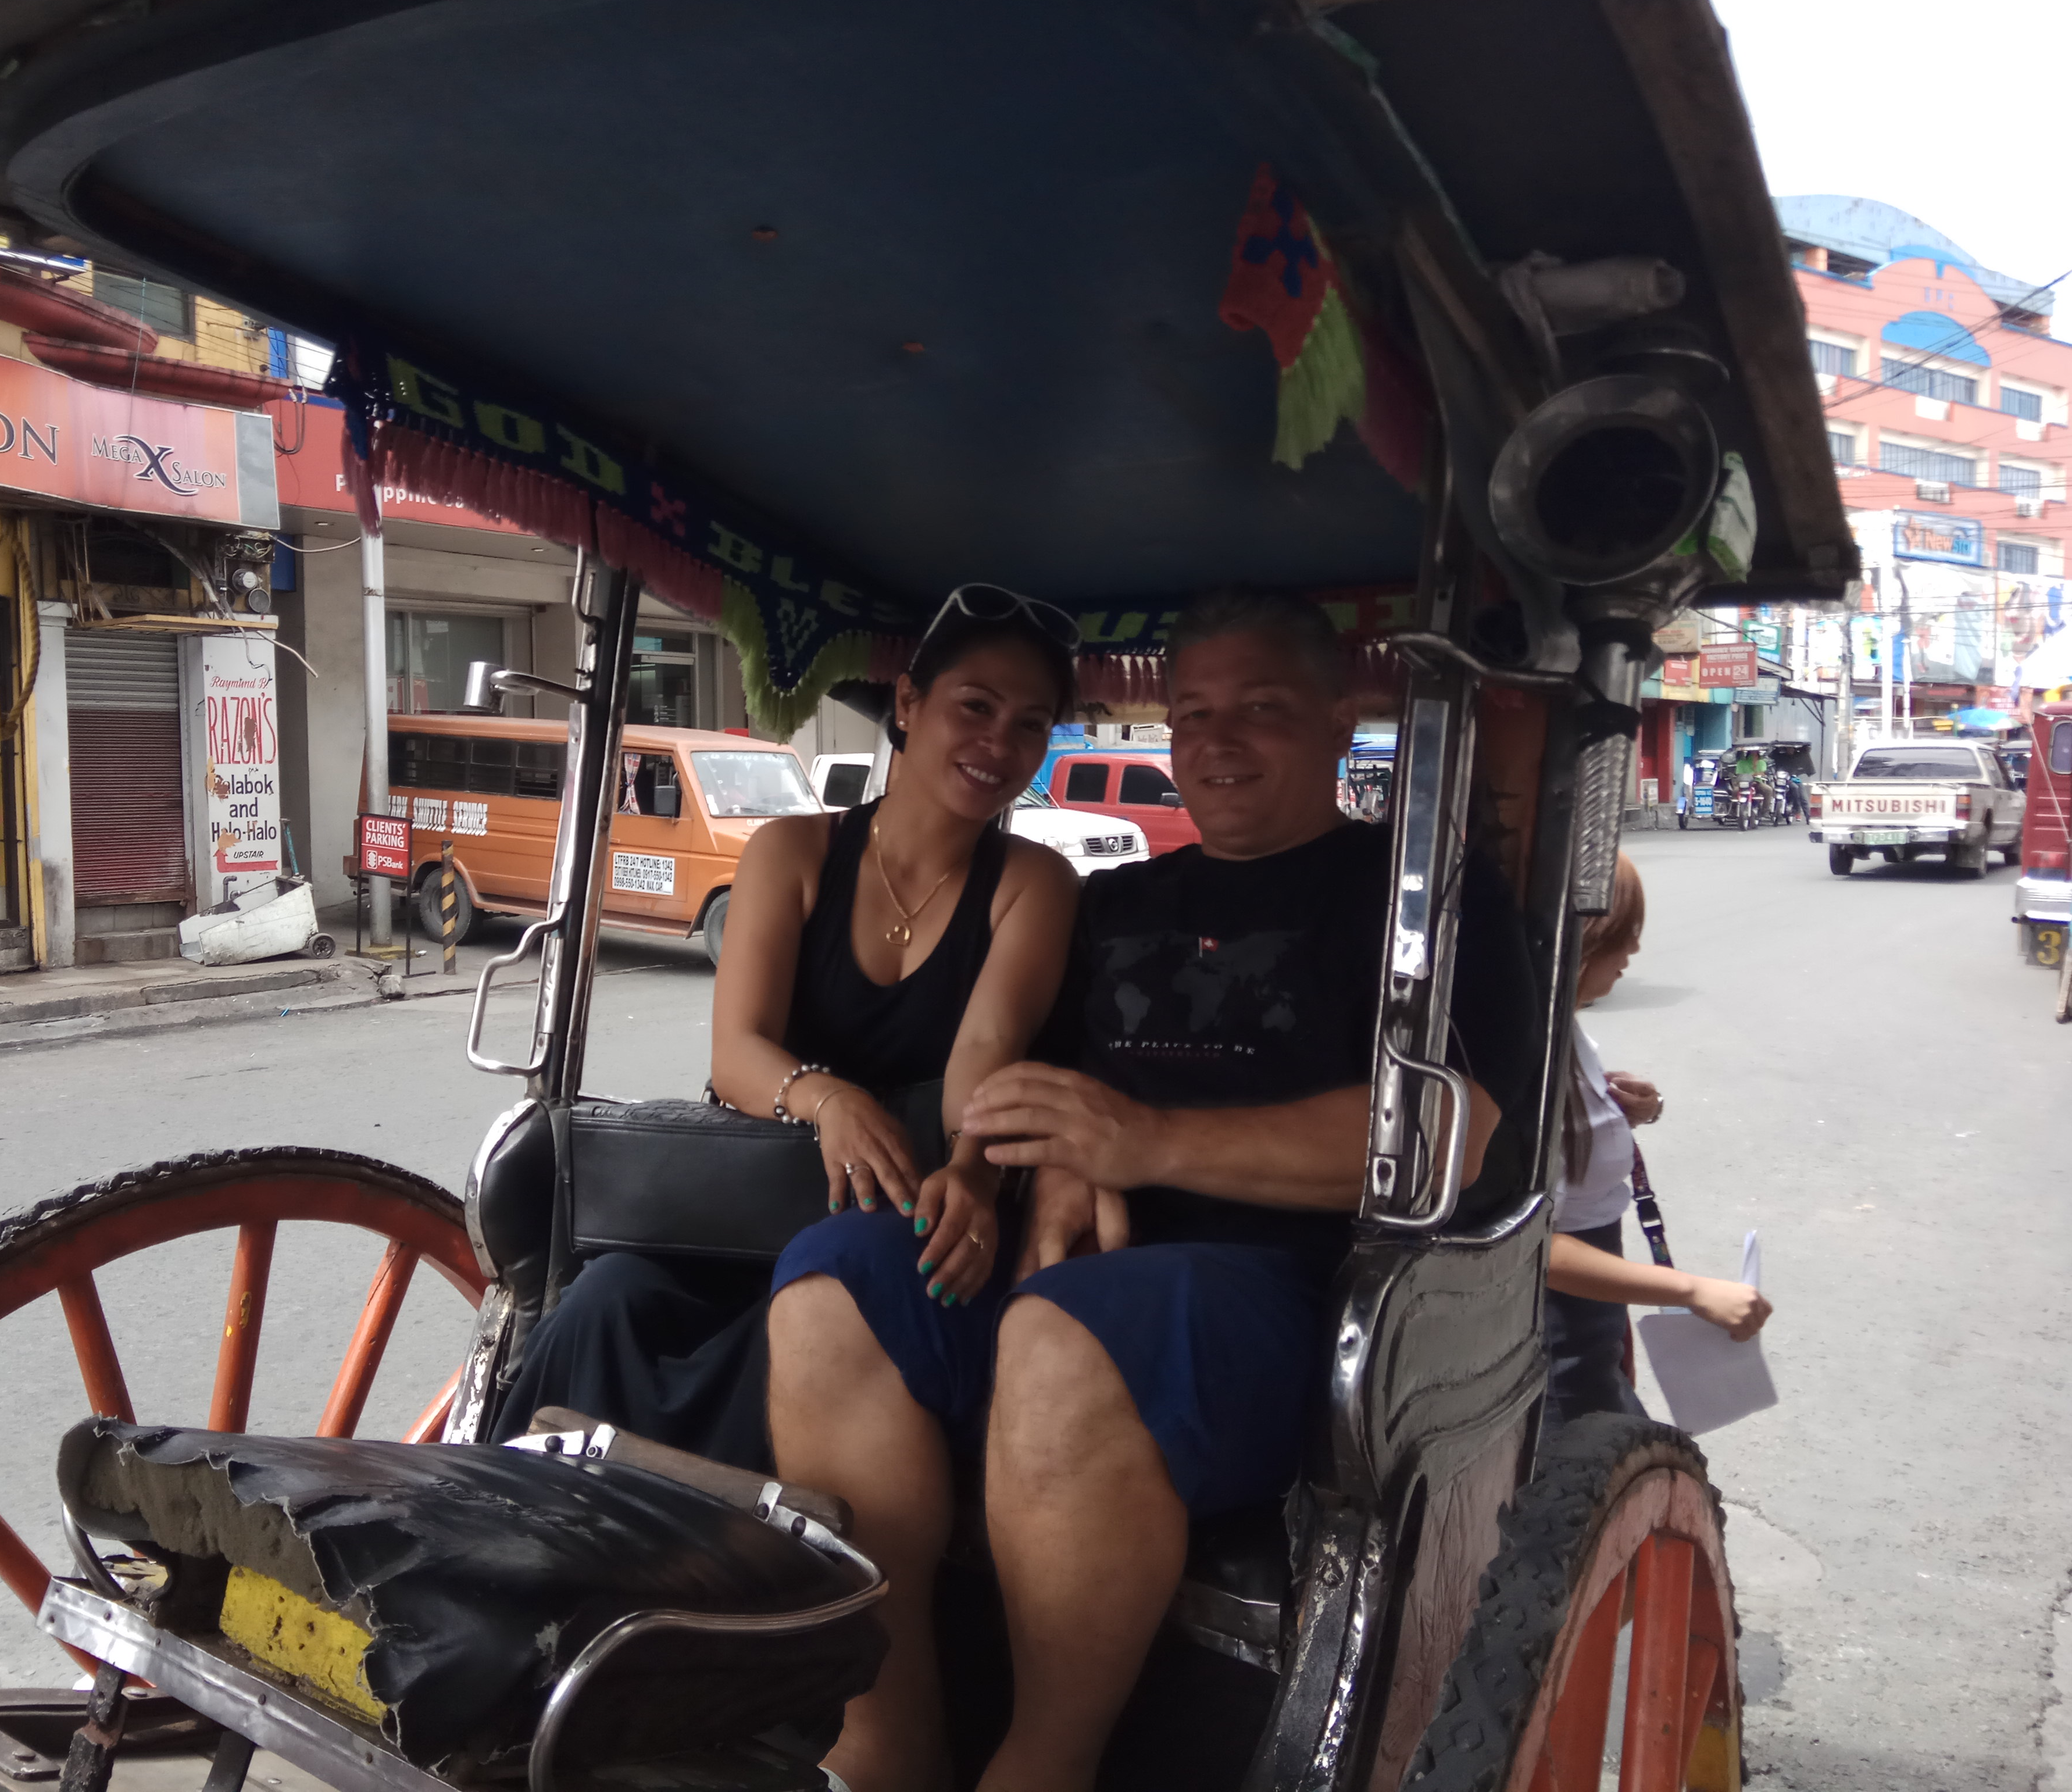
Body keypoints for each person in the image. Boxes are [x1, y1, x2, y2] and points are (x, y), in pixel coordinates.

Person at [767, 587, 1538, 1792]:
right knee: (836, 1280)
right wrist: (1022, 1162)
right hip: (1073, 1272)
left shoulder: (1423, 900)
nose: (1218, 742)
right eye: (1192, 714)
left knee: (1065, 1333)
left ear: (1341, 721)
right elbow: (1028, 1086)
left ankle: (1044, 1767)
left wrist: (1143, 1144)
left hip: (1298, 1299)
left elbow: (1449, 1136)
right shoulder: (1117, 903)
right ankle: (885, 1733)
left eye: (1261, 709)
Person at [490, 583, 1083, 1469]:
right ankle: (512, 1507)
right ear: (909, 704)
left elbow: (986, 1050)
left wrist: (970, 1171)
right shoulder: (792, 852)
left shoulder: (1033, 883)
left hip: (897, 1218)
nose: (1000, 744)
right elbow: (737, 1053)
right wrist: (828, 1100)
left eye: (1029, 724)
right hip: (745, 1203)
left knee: (809, 1323)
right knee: (607, 1300)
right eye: (975, 707)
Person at [1544, 852, 1771, 1426]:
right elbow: (1532, 1248)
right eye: (1622, 933)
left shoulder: (1563, 1031)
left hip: (1589, 1331)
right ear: (1578, 938)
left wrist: (1635, 1109)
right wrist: (1691, 1291)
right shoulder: (1527, 1052)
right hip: (1554, 1346)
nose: (1633, 951)